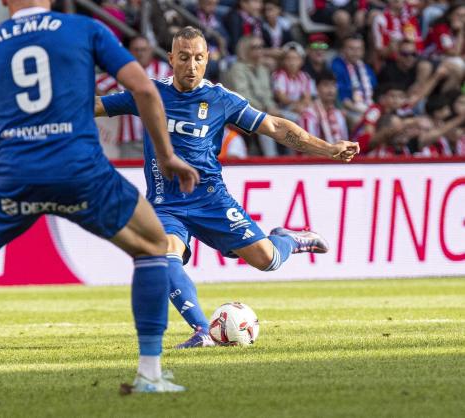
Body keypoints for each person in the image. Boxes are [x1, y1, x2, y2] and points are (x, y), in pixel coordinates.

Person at [0, 0, 199, 397]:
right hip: (79, 172)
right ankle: (149, 372)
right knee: (153, 246)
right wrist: (166, 156)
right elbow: (144, 89)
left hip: (13, 177)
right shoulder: (83, 29)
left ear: (5, 2)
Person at [96, 26, 359, 349]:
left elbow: (275, 126)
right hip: (165, 203)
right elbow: (95, 106)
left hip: (211, 200)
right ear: (170, 59)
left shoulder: (220, 99)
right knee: (164, 256)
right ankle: (202, 330)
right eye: (183, 58)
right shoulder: (148, 93)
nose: (191, 66)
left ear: (206, 60)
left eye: (197, 58)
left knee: (268, 260)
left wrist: (328, 148)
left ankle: (291, 239)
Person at [95, 35, 173, 158]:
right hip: (130, 140)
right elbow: (96, 84)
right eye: (136, 50)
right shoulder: (122, 71)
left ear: (151, 50)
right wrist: (110, 101)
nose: (140, 53)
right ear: (130, 51)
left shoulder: (163, 70)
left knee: (159, 176)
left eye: (143, 49)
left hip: (159, 138)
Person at [221, 36, 281, 156]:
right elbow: (242, 95)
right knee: (266, 125)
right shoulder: (237, 69)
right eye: (255, 47)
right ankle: (272, 159)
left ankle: (297, 159)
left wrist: (271, 107)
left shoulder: (263, 69)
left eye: (261, 47)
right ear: (245, 50)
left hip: (262, 110)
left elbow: (267, 94)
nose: (260, 50)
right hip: (238, 113)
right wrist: (265, 111)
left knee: (294, 119)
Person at [331, 35, 377, 126]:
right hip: (348, 109)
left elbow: (373, 90)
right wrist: (365, 111)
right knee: (360, 122)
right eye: (351, 49)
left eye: (359, 49)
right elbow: (341, 99)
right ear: (343, 50)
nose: (355, 52)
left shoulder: (366, 68)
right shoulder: (337, 67)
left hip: (367, 106)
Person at [300, 71, 349, 144]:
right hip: (316, 154)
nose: (330, 90)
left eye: (333, 85)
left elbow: (345, 141)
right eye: (326, 85)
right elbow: (307, 147)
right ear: (316, 88)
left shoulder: (338, 114)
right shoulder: (308, 115)